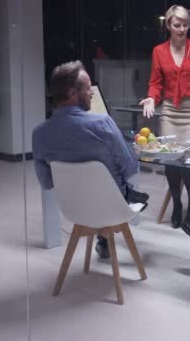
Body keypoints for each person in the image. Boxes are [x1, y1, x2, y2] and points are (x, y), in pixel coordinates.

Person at [33, 60, 149, 259]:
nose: (92, 93)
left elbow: (46, 182)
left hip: (74, 209)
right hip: (112, 208)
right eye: (88, 89)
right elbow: (131, 168)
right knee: (122, 180)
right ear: (72, 93)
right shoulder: (102, 123)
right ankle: (108, 231)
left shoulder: (39, 134)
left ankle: (103, 239)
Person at [139, 5, 190, 233]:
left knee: (188, 161)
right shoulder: (158, 51)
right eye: (177, 25)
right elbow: (155, 83)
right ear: (168, 26)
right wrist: (151, 99)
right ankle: (176, 203)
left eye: (185, 24)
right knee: (170, 162)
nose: (182, 29)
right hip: (170, 111)